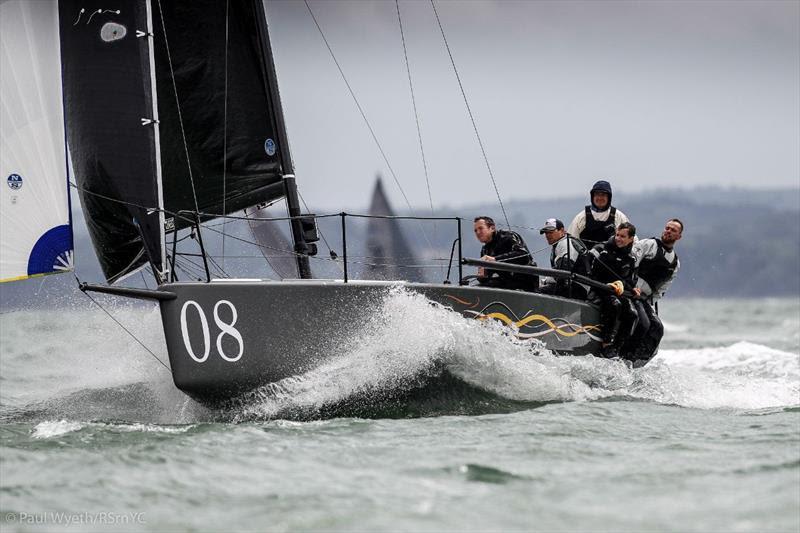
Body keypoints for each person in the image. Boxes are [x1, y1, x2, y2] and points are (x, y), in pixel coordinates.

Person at [623, 218, 683, 363]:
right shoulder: (648, 244)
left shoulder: (675, 263)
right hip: (629, 291)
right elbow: (630, 263)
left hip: (643, 299)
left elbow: (662, 289)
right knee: (642, 323)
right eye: (667, 228)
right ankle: (626, 355)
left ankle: (639, 360)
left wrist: (649, 301)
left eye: (673, 230)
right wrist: (631, 287)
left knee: (657, 328)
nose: (668, 231)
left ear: (678, 237)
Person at [586, 222, 640, 356]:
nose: (618, 239)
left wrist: (632, 289)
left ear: (631, 239)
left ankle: (617, 347)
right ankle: (606, 344)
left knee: (632, 314)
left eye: (622, 236)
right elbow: (589, 272)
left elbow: (630, 281)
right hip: (599, 287)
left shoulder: (631, 258)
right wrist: (607, 284)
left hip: (616, 290)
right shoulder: (602, 249)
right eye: (617, 235)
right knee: (614, 305)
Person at [473, 216, 538, 291]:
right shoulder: (485, 250)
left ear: (492, 228)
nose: (478, 232)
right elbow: (486, 277)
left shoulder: (508, 237)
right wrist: (481, 275)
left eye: (481, 228)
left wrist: (495, 260)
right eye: (475, 230)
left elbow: (523, 255)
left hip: (524, 282)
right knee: (477, 288)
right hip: (506, 283)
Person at [567, 180, 631, 247]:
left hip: (613, 256)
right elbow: (571, 241)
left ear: (609, 198)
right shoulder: (581, 217)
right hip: (585, 256)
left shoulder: (619, 217)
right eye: (597, 194)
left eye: (603, 195)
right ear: (592, 197)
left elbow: (631, 240)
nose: (600, 198)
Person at [537, 218, 588, 299]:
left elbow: (563, 271)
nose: (548, 235)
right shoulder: (559, 245)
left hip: (577, 288)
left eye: (551, 232)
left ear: (562, 230)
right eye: (546, 233)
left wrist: (545, 281)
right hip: (572, 285)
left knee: (537, 292)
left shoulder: (565, 243)